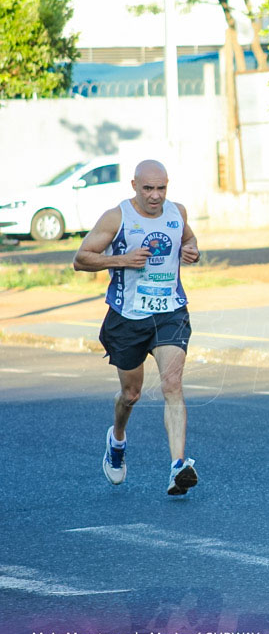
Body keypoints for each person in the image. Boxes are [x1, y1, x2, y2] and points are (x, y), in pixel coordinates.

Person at [73, 159, 200, 496]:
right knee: (131, 394)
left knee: (172, 384)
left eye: (161, 188)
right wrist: (121, 259)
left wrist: (192, 250)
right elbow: (81, 258)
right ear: (134, 186)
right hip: (127, 317)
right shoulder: (118, 217)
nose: (155, 196)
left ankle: (178, 466)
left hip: (170, 312)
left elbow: (188, 239)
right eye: (148, 188)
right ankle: (116, 440)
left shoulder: (178, 212)